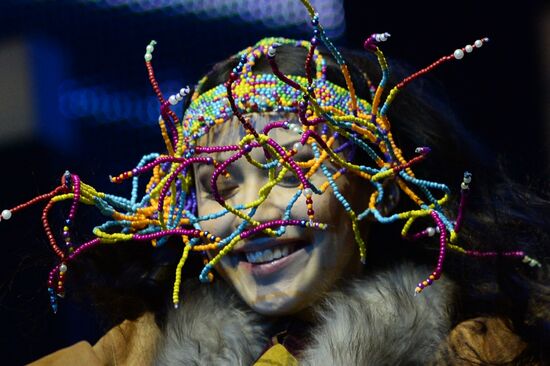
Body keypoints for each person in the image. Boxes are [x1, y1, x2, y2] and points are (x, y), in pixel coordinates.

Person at [9, 2, 548, 365]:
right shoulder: (133, 354)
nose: (253, 212)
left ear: (378, 182)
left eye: (289, 171)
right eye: (218, 184)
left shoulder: (484, 350)